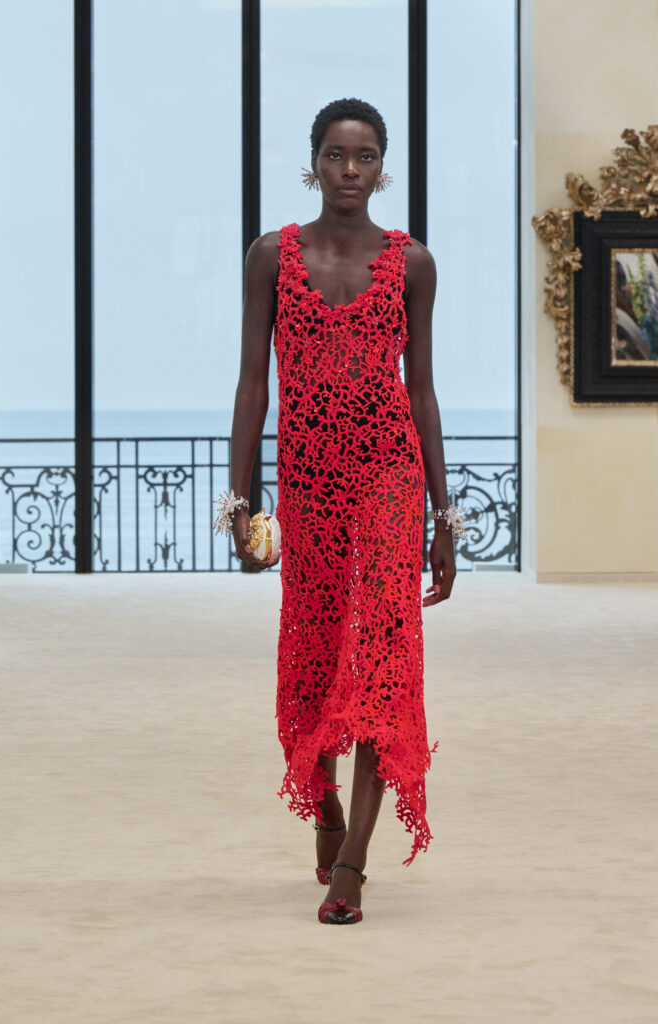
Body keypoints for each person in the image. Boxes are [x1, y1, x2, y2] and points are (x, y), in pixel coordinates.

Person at [223, 98, 463, 925]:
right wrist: (240, 500)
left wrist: (442, 518)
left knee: (380, 658)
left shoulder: (412, 264)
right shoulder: (271, 256)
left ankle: (352, 863)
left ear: (382, 167)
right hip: (309, 483)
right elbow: (252, 385)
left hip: (389, 475)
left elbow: (421, 392)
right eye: (335, 155)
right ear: (313, 162)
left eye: (364, 157)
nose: (349, 170)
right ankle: (323, 812)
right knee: (315, 653)